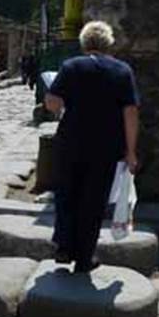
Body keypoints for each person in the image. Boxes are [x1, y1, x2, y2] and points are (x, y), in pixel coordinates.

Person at [45, 20, 140, 273]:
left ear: (84, 43)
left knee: (67, 193)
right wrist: (131, 151)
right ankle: (85, 256)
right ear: (109, 43)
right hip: (106, 146)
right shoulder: (122, 71)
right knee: (94, 200)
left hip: (71, 141)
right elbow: (130, 113)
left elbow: (53, 103)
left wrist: (57, 100)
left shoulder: (71, 66)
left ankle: (64, 246)